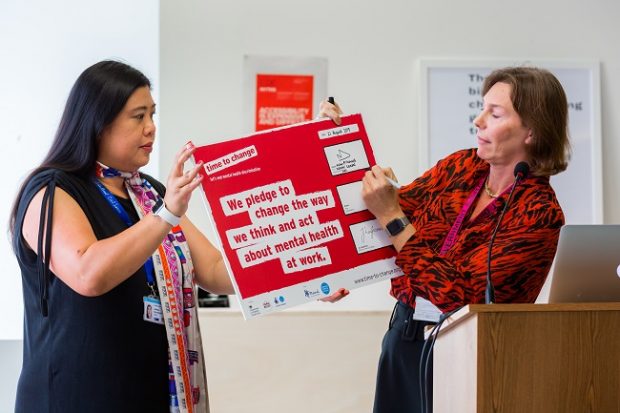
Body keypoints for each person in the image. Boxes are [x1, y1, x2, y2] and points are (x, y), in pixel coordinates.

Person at [319, 66, 570, 413]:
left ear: (532, 130)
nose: (478, 120)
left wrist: (392, 216)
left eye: (494, 113)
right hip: (405, 334)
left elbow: (459, 296)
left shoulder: (539, 213)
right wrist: (334, 142)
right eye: (482, 108)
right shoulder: (462, 166)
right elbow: (387, 209)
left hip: (472, 351)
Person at [9, 60, 234, 413]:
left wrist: (304, 272)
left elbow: (216, 269)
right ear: (98, 122)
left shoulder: (150, 194)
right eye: (138, 116)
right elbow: (88, 273)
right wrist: (166, 215)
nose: (151, 129)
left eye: (153, 115)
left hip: (145, 393)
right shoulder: (51, 190)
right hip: (74, 398)